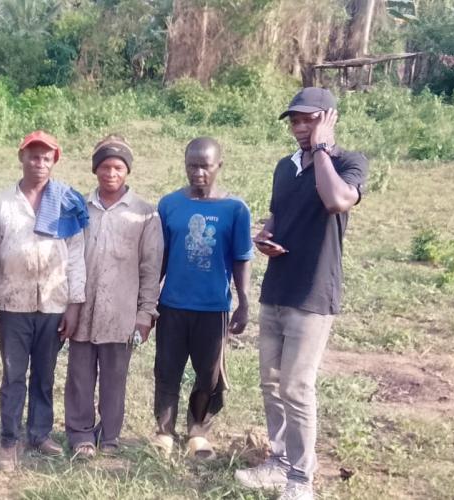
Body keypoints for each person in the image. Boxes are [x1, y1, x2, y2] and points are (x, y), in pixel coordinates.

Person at [234, 88, 368, 500]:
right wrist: (265, 237)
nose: (299, 128)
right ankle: (278, 462)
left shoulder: (348, 163)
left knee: (296, 386)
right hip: (277, 288)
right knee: (271, 384)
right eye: (294, 121)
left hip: (313, 292)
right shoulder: (285, 167)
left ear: (329, 118)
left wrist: (322, 149)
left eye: (309, 119)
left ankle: (300, 480)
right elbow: (279, 215)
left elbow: (337, 200)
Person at [0, 130, 88, 471]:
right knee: (14, 375)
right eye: (33, 156)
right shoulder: (1, 203)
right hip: (12, 303)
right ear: (22, 157)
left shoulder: (66, 202)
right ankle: (9, 440)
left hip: (53, 303)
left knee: (44, 374)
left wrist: (74, 304)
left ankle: (40, 434)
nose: (39, 163)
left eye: (46, 158)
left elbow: (76, 257)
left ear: (54, 162)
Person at [151, 137, 252, 460]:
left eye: (205, 166)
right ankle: (164, 432)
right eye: (191, 166)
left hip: (213, 308)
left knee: (208, 375)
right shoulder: (169, 205)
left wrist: (244, 301)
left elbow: (241, 258)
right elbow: (161, 256)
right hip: (172, 305)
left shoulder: (235, 209)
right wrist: (148, 298)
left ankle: (198, 431)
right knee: (167, 370)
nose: (198, 173)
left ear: (218, 166)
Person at [64, 135, 164, 458]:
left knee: (114, 377)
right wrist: (68, 304)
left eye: (118, 167)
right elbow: (68, 257)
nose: (111, 173)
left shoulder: (145, 214)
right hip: (82, 308)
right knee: (79, 375)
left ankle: (109, 436)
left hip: (121, 313)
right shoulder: (80, 207)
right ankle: (80, 434)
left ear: (127, 171)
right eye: (105, 167)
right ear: (95, 170)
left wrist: (145, 314)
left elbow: (151, 268)